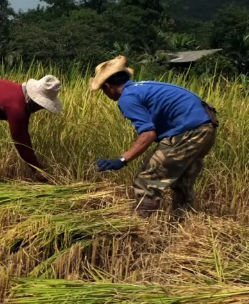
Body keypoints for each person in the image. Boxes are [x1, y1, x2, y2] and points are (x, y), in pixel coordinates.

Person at [91, 56, 219, 218]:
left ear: (108, 86)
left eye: (103, 90)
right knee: (181, 182)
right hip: (206, 126)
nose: (105, 93)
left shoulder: (127, 98)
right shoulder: (142, 87)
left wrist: (122, 160)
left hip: (189, 130)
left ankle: (141, 228)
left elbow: (148, 134)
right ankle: (181, 224)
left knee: (146, 179)